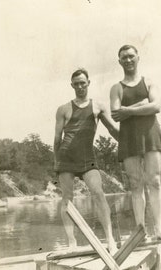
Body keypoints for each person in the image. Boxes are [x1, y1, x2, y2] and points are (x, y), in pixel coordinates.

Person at [54, 68, 118, 254]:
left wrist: (127, 143)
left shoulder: (98, 106)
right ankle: (72, 243)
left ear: (88, 83)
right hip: (66, 157)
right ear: (72, 85)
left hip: (87, 158)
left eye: (83, 83)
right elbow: (57, 138)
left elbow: (113, 130)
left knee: (98, 193)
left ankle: (110, 240)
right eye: (77, 84)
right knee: (67, 198)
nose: (80, 86)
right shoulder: (63, 109)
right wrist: (55, 162)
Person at [110, 45, 161, 239]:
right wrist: (143, 105)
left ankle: (159, 229)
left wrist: (129, 110)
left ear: (138, 58)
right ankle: (140, 232)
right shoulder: (116, 88)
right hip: (128, 137)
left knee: (154, 180)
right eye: (124, 58)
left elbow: (157, 106)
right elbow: (116, 114)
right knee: (135, 184)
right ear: (119, 61)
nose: (128, 60)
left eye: (131, 56)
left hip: (151, 132)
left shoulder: (149, 82)